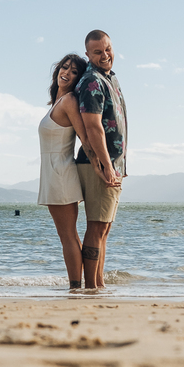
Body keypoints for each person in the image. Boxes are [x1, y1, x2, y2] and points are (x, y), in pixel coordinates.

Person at [37, 53, 103, 290]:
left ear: (78, 79)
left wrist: (99, 165)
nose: (67, 73)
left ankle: (76, 288)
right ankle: (80, 286)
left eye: (74, 71)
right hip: (54, 173)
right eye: (65, 67)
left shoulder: (69, 101)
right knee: (69, 236)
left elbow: (85, 137)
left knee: (67, 236)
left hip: (61, 173)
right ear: (57, 70)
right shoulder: (57, 102)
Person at [74, 29, 127, 290]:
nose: (105, 55)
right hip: (97, 166)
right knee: (96, 227)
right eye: (98, 52)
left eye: (107, 49)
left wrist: (117, 166)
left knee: (103, 229)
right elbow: (93, 128)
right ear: (88, 55)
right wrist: (106, 166)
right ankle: (91, 287)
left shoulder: (110, 79)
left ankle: (99, 284)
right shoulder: (92, 81)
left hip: (112, 166)